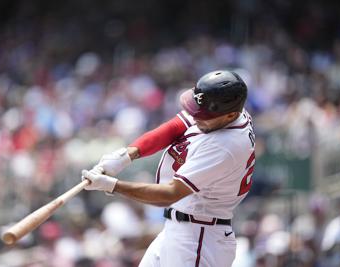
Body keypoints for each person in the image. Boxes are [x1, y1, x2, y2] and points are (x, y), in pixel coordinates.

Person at [82, 70, 255, 267]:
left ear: (230, 114)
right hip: (181, 229)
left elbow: (170, 194)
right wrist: (126, 155)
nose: (195, 116)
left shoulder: (224, 145)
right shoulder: (226, 113)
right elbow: (174, 127)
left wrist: (113, 186)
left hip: (200, 239)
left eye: (203, 114)